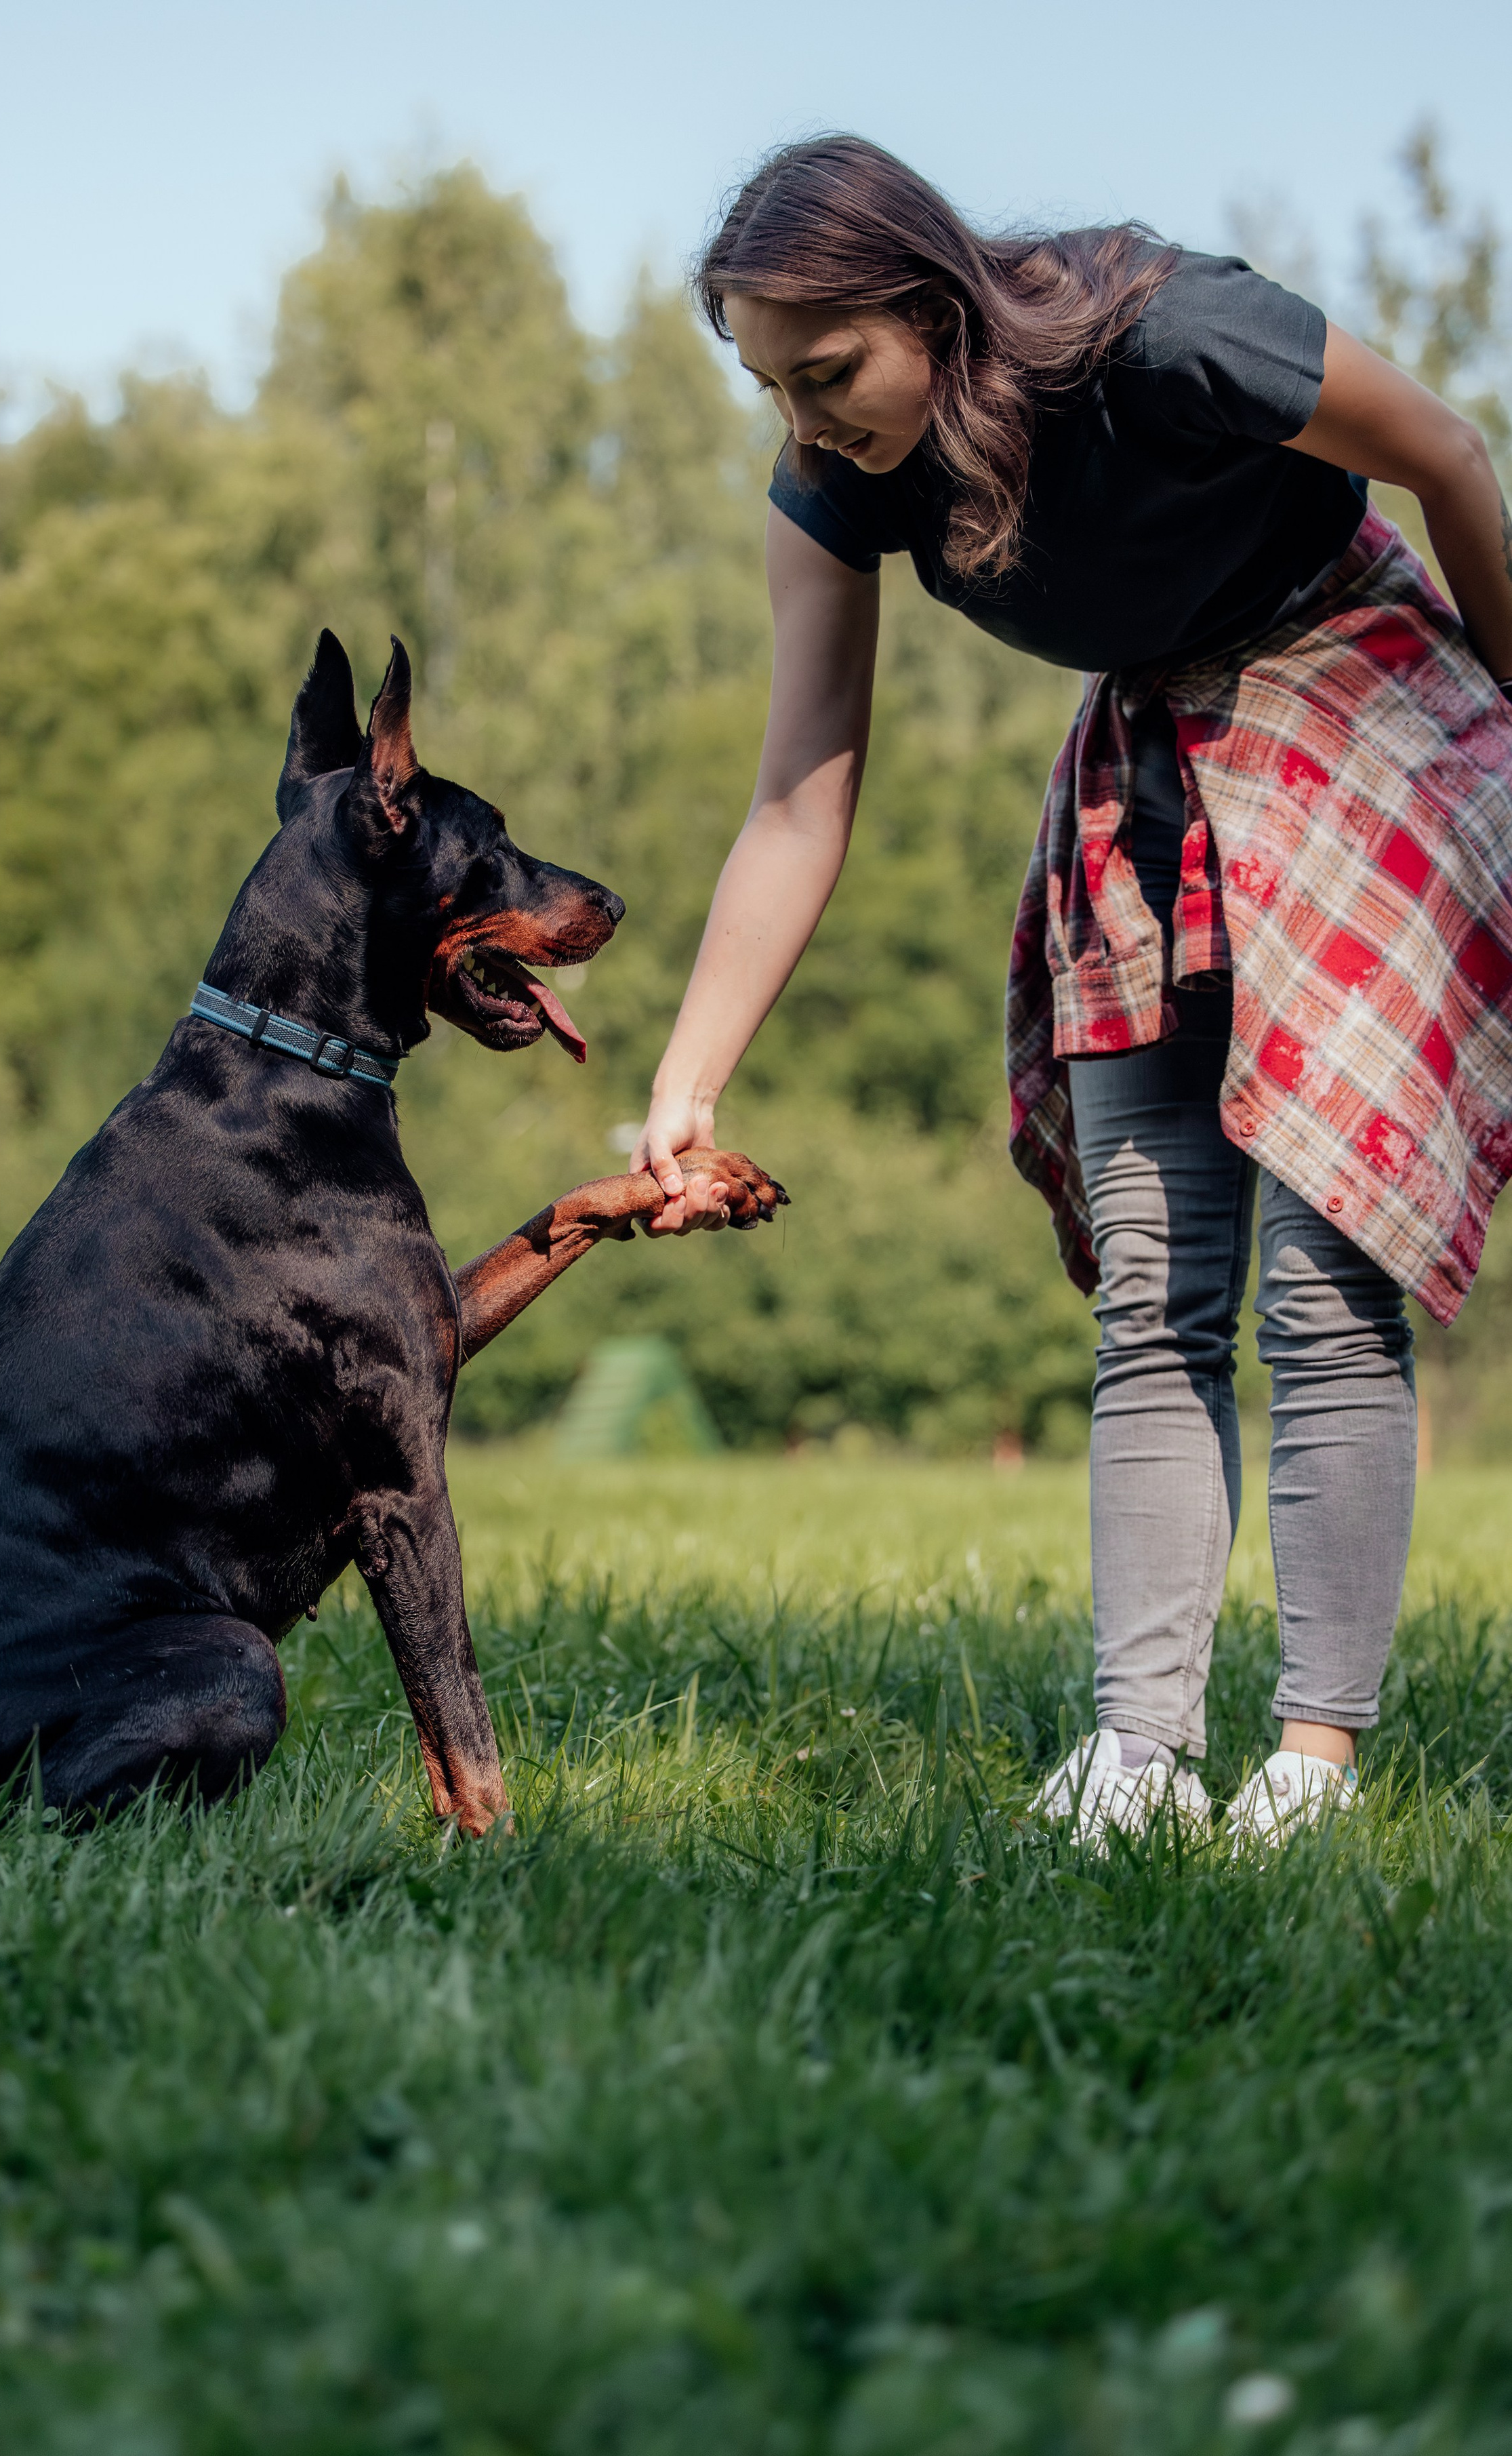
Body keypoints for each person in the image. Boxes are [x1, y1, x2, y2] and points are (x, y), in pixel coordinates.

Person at [632, 135, 1512, 1847]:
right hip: (1148, 758)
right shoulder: (838, 484)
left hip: (1355, 702)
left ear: (933, 304)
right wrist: (689, 1075)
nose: (808, 421)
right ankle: (1138, 1756)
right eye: (770, 386)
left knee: (1326, 1282)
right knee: (1151, 1289)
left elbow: (1449, 460)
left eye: (830, 371)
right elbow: (800, 791)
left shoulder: (1164, 334)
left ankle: (1310, 1769)